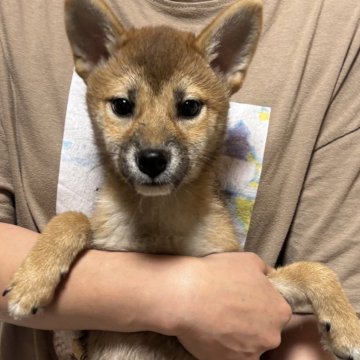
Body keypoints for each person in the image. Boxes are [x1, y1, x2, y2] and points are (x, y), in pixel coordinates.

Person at [0, 0, 359, 359]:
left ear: (227, 67)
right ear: (91, 57)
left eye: (188, 109)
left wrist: (318, 282)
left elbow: (253, 303)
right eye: (124, 107)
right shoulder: (17, 17)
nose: (153, 146)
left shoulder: (338, 27)